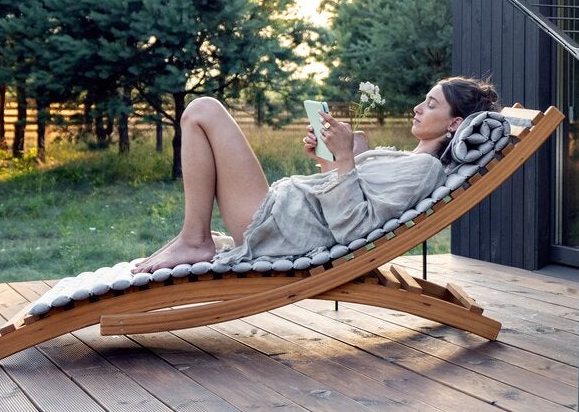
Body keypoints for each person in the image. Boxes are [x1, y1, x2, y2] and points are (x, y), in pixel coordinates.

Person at [131, 76, 499, 273]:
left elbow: (353, 228)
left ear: (455, 123)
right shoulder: (406, 159)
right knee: (203, 112)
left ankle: (194, 239)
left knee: (203, 110)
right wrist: (330, 158)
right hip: (282, 213)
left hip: (279, 228)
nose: (418, 107)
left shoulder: (424, 168)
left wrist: (343, 158)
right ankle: (192, 238)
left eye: (431, 104)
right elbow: (344, 191)